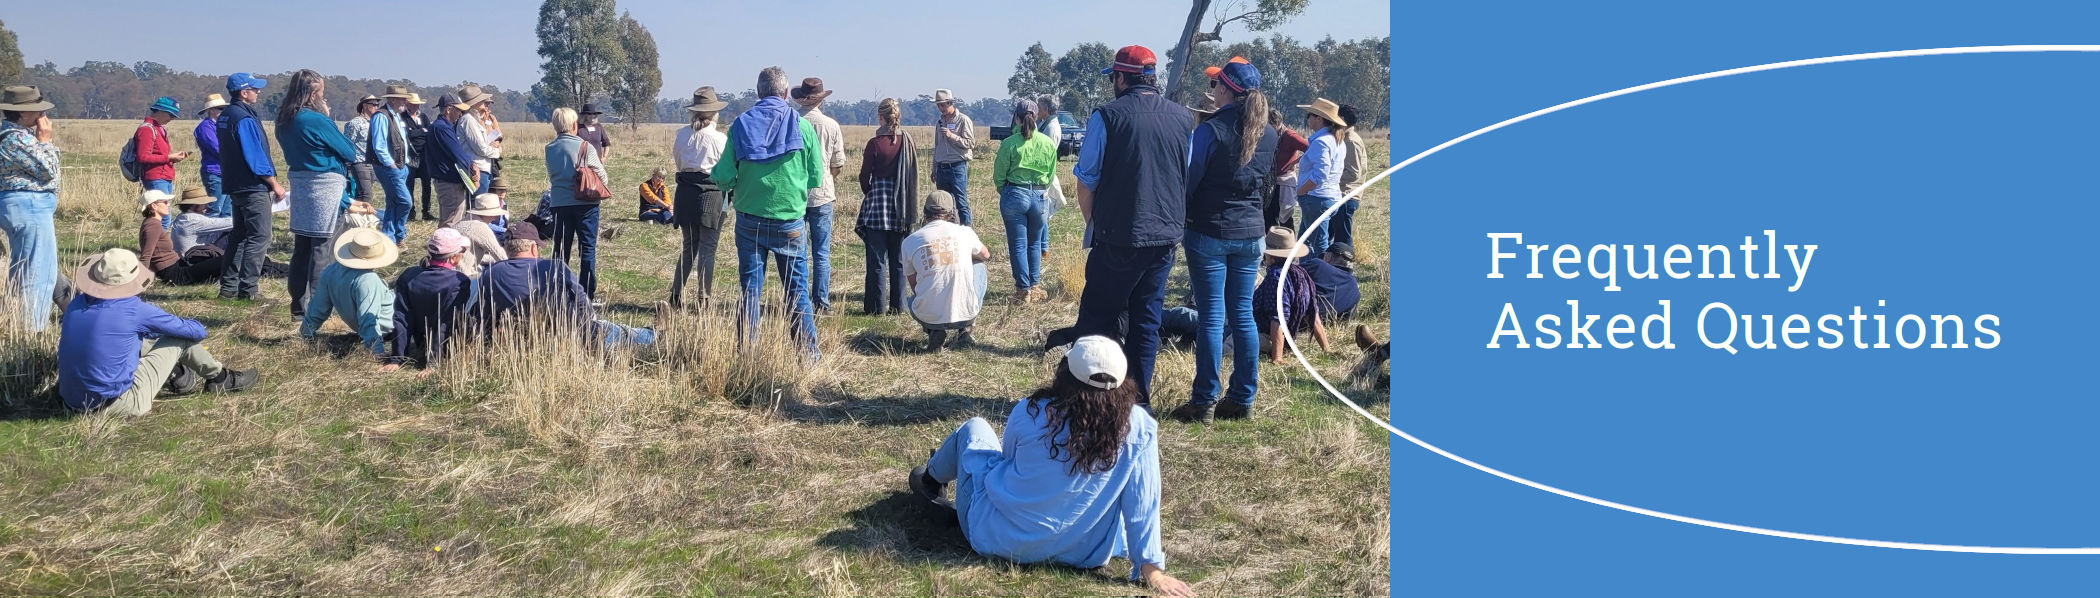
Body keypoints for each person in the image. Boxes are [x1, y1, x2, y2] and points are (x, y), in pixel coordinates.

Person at [906, 335, 1192, 597]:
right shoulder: (1140, 427)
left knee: (975, 428)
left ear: (1066, 372)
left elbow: (1008, 461)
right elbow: (1143, 502)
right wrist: (1151, 569)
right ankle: (934, 477)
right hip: (1084, 553)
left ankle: (931, 478)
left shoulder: (1030, 411)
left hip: (999, 538)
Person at [1069, 45, 1196, 409]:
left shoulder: (1107, 116)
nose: (1113, 83)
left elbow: (1086, 180)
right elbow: (1181, 173)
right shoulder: (1183, 117)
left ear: (1122, 78)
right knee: (1146, 321)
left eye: (1114, 77)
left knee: (1097, 317)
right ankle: (1139, 403)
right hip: (1164, 238)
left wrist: (1095, 225)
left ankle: (1090, 397)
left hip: (1119, 237)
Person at [1168, 62, 1277, 424]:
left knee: (1212, 319)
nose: (1212, 90)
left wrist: (1181, 216)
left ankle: (1204, 401)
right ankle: (1243, 398)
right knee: (1242, 315)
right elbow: (1266, 186)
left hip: (1210, 233)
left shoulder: (1210, 131)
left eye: (1216, 85)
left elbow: (1189, 180)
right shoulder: (1270, 135)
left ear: (1226, 90)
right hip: (1251, 235)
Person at [58, 248, 259, 416]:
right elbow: (195, 332)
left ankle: (179, 375)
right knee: (180, 339)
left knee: (138, 341)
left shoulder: (77, 303)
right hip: (117, 404)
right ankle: (220, 378)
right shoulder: (134, 310)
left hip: (71, 404)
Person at [713, 67, 823, 358]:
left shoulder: (740, 125)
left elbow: (723, 176)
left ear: (758, 93)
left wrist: (739, 181)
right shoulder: (803, 127)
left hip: (750, 220)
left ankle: (747, 354)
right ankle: (808, 356)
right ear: (786, 93)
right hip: (790, 221)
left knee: (750, 289)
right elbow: (815, 176)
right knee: (797, 291)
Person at [275, 69, 367, 319]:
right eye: (322, 93)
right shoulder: (316, 119)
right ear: (313, 94)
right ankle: (317, 307)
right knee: (322, 248)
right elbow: (348, 151)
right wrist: (327, 117)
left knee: (302, 247)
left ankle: (297, 305)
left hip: (301, 182)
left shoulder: (284, 118)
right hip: (325, 184)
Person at [477, 222, 654, 348]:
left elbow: (485, 315)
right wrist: (588, 325)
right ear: (533, 248)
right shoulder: (554, 267)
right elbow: (581, 299)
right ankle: (654, 335)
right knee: (618, 331)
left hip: (520, 340)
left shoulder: (490, 274)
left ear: (508, 248)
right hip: (566, 334)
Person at [215, 73, 289, 302]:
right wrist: (274, 183)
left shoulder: (226, 115)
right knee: (260, 237)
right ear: (244, 93)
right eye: (255, 89)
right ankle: (249, 290)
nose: (259, 92)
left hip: (234, 184)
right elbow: (254, 155)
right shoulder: (244, 118)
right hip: (252, 186)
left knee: (239, 236)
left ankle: (228, 288)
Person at [0, 85, 61, 330]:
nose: (41, 117)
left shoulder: (14, 136)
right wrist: (45, 141)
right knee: (37, 272)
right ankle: (31, 328)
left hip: (23, 206)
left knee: (27, 266)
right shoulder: (17, 139)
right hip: (29, 206)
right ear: (23, 113)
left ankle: (16, 321)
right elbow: (48, 170)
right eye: (36, 112)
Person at [902, 191, 989, 352]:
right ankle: (966, 329)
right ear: (951, 213)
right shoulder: (965, 232)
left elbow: (914, 285)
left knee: (910, 300)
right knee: (979, 265)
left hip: (927, 315)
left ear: (926, 212)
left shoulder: (909, 241)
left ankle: (933, 330)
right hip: (966, 313)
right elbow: (985, 254)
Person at [855, 97, 919, 316]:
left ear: (881, 117)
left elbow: (864, 176)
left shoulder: (874, 144)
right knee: (899, 261)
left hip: (877, 207)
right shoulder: (908, 141)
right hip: (902, 206)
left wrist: (871, 191)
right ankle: (899, 306)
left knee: (876, 261)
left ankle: (876, 308)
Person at [668, 87, 731, 308]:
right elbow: (726, 170)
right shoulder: (720, 139)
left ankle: (675, 296)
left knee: (689, 246)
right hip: (711, 195)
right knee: (707, 249)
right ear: (714, 113)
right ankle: (704, 299)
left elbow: (678, 162)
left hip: (686, 194)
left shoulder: (682, 134)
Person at [790, 78, 848, 313]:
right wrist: (826, 178)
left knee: (796, 252)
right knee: (821, 253)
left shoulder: (792, 122)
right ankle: (821, 303)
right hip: (823, 194)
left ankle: (797, 301)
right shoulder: (831, 125)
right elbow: (838, 163)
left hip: (795, 193)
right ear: (821, 99)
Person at [993, 98, 1057, 304]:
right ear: (1037, 117)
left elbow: (999, 174)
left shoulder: (1009, 143)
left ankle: (1023, 289)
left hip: (1015, 194)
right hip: (1039, 196)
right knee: (1035, 243)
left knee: (1018, 244)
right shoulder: (1047, 143)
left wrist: (1005, 191)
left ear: (1017, 117)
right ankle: (1035, 285)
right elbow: (1050, 174)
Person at [298, 227, 398, 358]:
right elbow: (368, 317)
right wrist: (376, 351)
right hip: (393, 327)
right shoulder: (368, 280)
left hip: (368, 327)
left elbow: (318, 308)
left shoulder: (331, 271)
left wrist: (306, 332)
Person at [384, 229, 477, 371]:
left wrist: (396, 358)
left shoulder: (408, 275)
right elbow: (446, 321)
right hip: (447, 345)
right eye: (463, 251)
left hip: (421, 339)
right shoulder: (458, 282)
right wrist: (433, 363)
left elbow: (402, 317)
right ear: (453, 257)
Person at [544, 107, 609, 300]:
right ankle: (586, 292)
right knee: (587, 247)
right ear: (574, 125)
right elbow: (602, 176)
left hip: (559, 203)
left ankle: (558, 289)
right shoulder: (585, 146)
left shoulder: (549, 148)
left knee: (560, 247)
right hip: (586, 204)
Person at [1255, 227, 1332, 365]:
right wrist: (1326, 348)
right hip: (1282, 336)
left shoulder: (1275, 278)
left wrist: (1277, 357)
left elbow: (1278, 318)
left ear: (1270, 257)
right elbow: (1313, 315)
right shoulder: (1301, 274)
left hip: (1263, 335)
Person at [1294, 97, 1350, 257]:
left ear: (1319, 118)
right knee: (1305, 243)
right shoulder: (1337, 141)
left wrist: (1302, 191)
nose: (1308, 119)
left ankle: (1320, 279)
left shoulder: (1321, 142)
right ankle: (1305, 277)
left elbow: (1321, 174)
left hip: (1317, 199)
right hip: (1329, 197)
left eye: (1309, 115)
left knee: (1317, 246)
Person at [135, 189, 222, 285]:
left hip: (177, 265)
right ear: (154, 206)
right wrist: (140, 283)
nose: (168, 204)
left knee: (213, 257)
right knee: (225, 260)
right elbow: (146, 256)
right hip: (173, 274)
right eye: (164, 202)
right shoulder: (153, 225)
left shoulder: (151, 223)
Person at [423, 93, 480, 226]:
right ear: (449, 109)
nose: (460, 114)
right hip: (449, 183)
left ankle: (439, 245)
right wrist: (473, 169)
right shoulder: (442, 128)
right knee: (453, 222)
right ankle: (444, 246)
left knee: (447, 220)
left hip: (445, 181)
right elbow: (458, 154)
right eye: (458, 110)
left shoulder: (441, 127)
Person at [370, 85, 416, 244]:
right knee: (406, 202)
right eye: (403, 98)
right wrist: (391, 165)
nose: (405, 101)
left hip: (400, 167)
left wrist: (405, 163)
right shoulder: (382, 116)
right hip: (389, 168)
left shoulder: (395, 116)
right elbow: (379, 146)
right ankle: (399, 233)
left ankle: (389, 237)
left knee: (393, 203)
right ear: (393, 99)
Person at [931, 88, 977, 226]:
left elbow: (970, 143)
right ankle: (948, 230)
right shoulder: (939, 122)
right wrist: (934, 168)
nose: (941, 108)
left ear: (950, 103)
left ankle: (967, 231)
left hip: (957, 167)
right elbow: (937, 146)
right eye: (938, 105)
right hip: (941, 168)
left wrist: (952, 136)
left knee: (961, 202)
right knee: (943, 204)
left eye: (943, 105)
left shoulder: (963, 120)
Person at [133, 96, 190, 199]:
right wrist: (169, 158)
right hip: (155, 178)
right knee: (163, 213)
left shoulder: (159, 128)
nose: (172, 118)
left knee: (165, 211)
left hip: (164, 177)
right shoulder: (147, 129)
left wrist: (173, 158)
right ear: (160, 111)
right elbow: (143, 157)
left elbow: (159, 154)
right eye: (171, 115)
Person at [1332, 104, 1369, 249]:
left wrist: (1332, 176)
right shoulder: (1344, 138)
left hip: (1346, 195)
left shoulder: (1351, 141)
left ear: (1341, 119)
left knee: (1343, 239)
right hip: (1342, 195)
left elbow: (1353, 173)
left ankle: (1346, 268)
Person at [1268, 108, 1308, 230]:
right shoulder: (1268, 135)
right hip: (1270, 180)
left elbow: (1311, 148)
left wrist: (1296, 161)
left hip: (1285, 180)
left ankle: (1288, 244)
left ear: (1276, 123)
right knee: (1269, 214)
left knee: (1285, 216)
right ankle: (1271, 242)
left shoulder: (1290, 136)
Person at [192, 93, 231, 218]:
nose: (224, 111)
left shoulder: (223, 126)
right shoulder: (204, 127)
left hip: (227, 172)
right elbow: (217, 149)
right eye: (221, 108)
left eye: (224, 108)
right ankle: (208, 237)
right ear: (211, 110)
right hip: (214, 173)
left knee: (227, 211)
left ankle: (224, 237)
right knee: (215, 209)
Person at [456, 85, 501, 194]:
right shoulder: (468, 120)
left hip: (481, 168)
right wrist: (497, 152)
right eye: (482, 100)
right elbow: (481, 148)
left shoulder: (473, 120)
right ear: (475, 103)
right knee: (478, 205)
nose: (486, 103)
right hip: (477, 170)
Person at [453, 193, 509, 278]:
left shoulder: (462, 222)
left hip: (451, 271)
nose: (495, 217)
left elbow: (470, 256)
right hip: (463, 275)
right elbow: (500, 255)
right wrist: (515, 268)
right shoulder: (481, 227)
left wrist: (491, 260)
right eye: (494, 214)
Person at [1034, 94, 1066, 231]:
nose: (1036, 110)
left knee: (1043, 214)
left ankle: (1043, 250)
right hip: (1041, 175)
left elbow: (1047, 154)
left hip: (1044, 175)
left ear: (1046, 109)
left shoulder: (1051, 128)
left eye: (1038, 107)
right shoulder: (1044, 123)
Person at [342, 94, 380, 204]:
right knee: (366, 193)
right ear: (365, 106)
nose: (377, 107)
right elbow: (348, 143)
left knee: (361, 193)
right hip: (359, 162)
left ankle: (356, 216)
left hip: (371, 162)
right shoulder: (355, 123)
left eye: (378, 104)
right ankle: (363, 218)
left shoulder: (374, 122)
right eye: (374, 104)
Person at [170, 186, 233, 254]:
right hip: (197, 258)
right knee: (231, 232)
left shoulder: (181, 217)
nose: (207, 206)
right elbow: (230, 223)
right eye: (204, 203)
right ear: (194, 205)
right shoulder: (193, 220)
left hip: (191, 255)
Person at [1307, 241, 1361, 319]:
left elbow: (1291, 273)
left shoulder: (1318, 265)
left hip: (1297, 320)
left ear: (1328, 257)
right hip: (1325, 326)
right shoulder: (1355, 287)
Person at [403, 93, 435, 221]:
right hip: (410, 156)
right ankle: (411, 212)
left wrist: (417, 133)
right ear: (408, 104)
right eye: (414, 104)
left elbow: (429, 132)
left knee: (426, 184)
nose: (416, 106)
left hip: (424, 156)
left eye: (417, 104)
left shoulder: (423, 116)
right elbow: (406, 134)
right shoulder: (402, 117)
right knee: (409, 184)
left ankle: (426, 211)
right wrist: (421, 131)